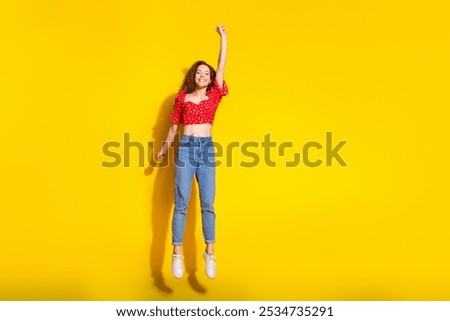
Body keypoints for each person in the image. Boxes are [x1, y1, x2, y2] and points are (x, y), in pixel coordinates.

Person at [156, 25, 228, 279]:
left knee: (208, 202)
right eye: (199, 72)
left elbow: (221, 67)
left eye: (206, 73)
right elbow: (174, 125)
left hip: (206, 150)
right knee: (182, 202)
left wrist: (224, 38)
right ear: (193, 76)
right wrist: (164, 147)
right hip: (186, 148)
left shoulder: (214, 96)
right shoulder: (182, 99)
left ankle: (210, 252)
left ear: (210, 79)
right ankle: (176, 253)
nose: (203, 75)